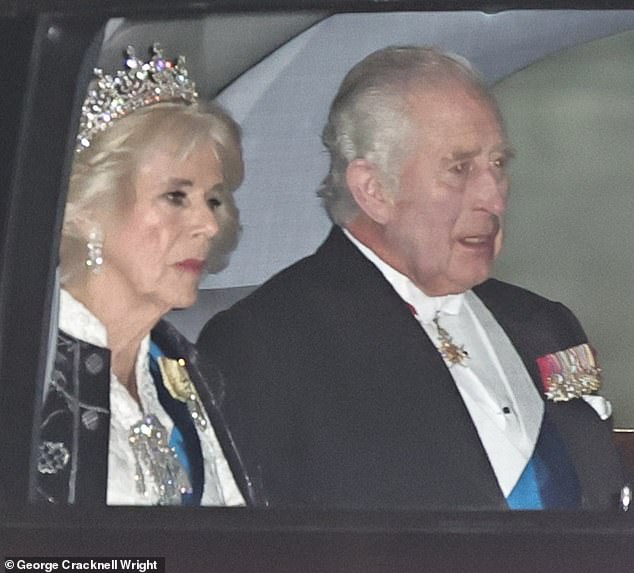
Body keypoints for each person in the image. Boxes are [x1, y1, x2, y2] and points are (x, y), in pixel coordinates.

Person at [197, 46, 624, 510]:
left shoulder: (545, 325)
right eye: (459, 168)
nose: (493, 198)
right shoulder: (268, 345)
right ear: (374, 190)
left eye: (498, 165)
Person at [35, 45, 255, 506]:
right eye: (176, 197)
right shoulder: (27, 371)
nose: (209, 225)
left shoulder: (182, 367)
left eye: (213, 200)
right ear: (86, 212)